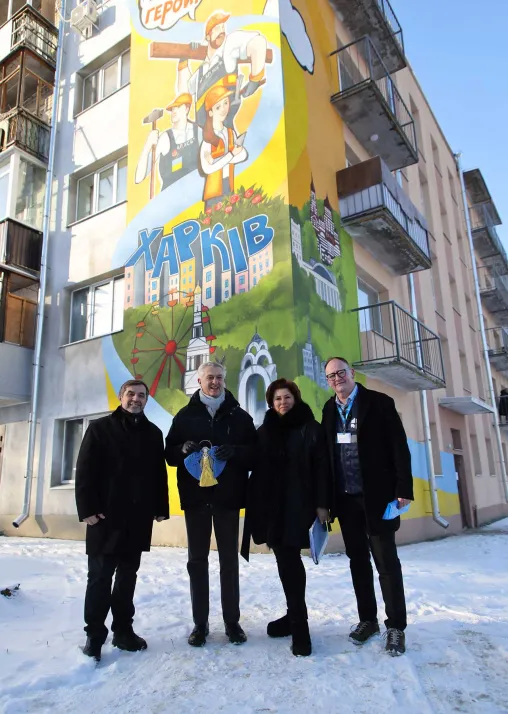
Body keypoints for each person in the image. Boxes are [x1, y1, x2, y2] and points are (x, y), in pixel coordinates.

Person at [321, 357, 413, 656]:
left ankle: (396, 626)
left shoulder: (379, 403)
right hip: (346, 500)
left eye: (341, 373)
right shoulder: (328, 409)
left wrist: (403, 489)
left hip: (377, 498)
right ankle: (367, 620)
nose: (337, 379)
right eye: (331, 376)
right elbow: (327, 457)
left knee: (386, 563)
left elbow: (399, 446)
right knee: (357, 562)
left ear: (352, 374)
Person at [75, 380, 169, 663]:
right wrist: (87, 509)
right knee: (100, 578)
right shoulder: (100, 428)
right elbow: (85, 470)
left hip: (138, 519)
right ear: (121, 397)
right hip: (104, 518)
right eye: (131, 394)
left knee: (128, 577)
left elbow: (158, 473)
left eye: (141, 395)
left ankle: (123, 631)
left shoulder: (153, 433)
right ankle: (94, 636)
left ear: (146, 400)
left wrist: (160, 507)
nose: (136, 399)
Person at [165, 362, 257, 647]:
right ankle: (200, 624)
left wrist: (237, 452)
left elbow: (255, 454)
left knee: (229, 561)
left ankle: (232, 622)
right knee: (197, 562)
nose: (214, 382)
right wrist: (181, 449)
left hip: (228, 500)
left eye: (219, 377)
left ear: (224, 380)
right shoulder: (184, 416)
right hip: (196, 501)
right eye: (209, 378)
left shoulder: (240, 416)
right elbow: (169, 453)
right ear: (199, 380)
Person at [242, 379, 329, 657]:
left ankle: (300, 627)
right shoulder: (265, 430)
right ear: (271, 403)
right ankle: (293, 616)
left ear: (296, 398)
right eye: (277, 399)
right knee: (284, 562)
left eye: (287, 397)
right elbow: (252, 461)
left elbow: (322, 468)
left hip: (298, 505)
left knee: (291, 562)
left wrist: (323, 505)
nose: (282, 402)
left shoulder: (310, 428)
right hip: (272, 507)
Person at [177, 11, 268, 129]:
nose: (221, 30)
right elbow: (184, 93)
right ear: (208, 36)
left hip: (224, 134)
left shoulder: (228, 49)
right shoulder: (201, 71)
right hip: (202, 137)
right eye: (216, 27)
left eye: (223, 26)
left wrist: (255, 78)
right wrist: (184, 59)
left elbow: (258, 42)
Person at [135, 93, 200, 192]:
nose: (174, 111)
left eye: (178, 107)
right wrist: (147, 145)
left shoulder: (198, 132)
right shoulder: (165, 138)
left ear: (187, 109)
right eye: (172, 109)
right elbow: (139, 177)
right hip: (171, 198)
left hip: (196, 195)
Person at [200, 85, 248, 210]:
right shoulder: (207, 139)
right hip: (214, 193)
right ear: (210, 112)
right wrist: (231, 155)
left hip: (229, 186)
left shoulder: (231, 132)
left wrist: (217, 160)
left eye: (225, 103)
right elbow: (207, 169)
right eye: (218, 107)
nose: (223, 109)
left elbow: (243, 154)